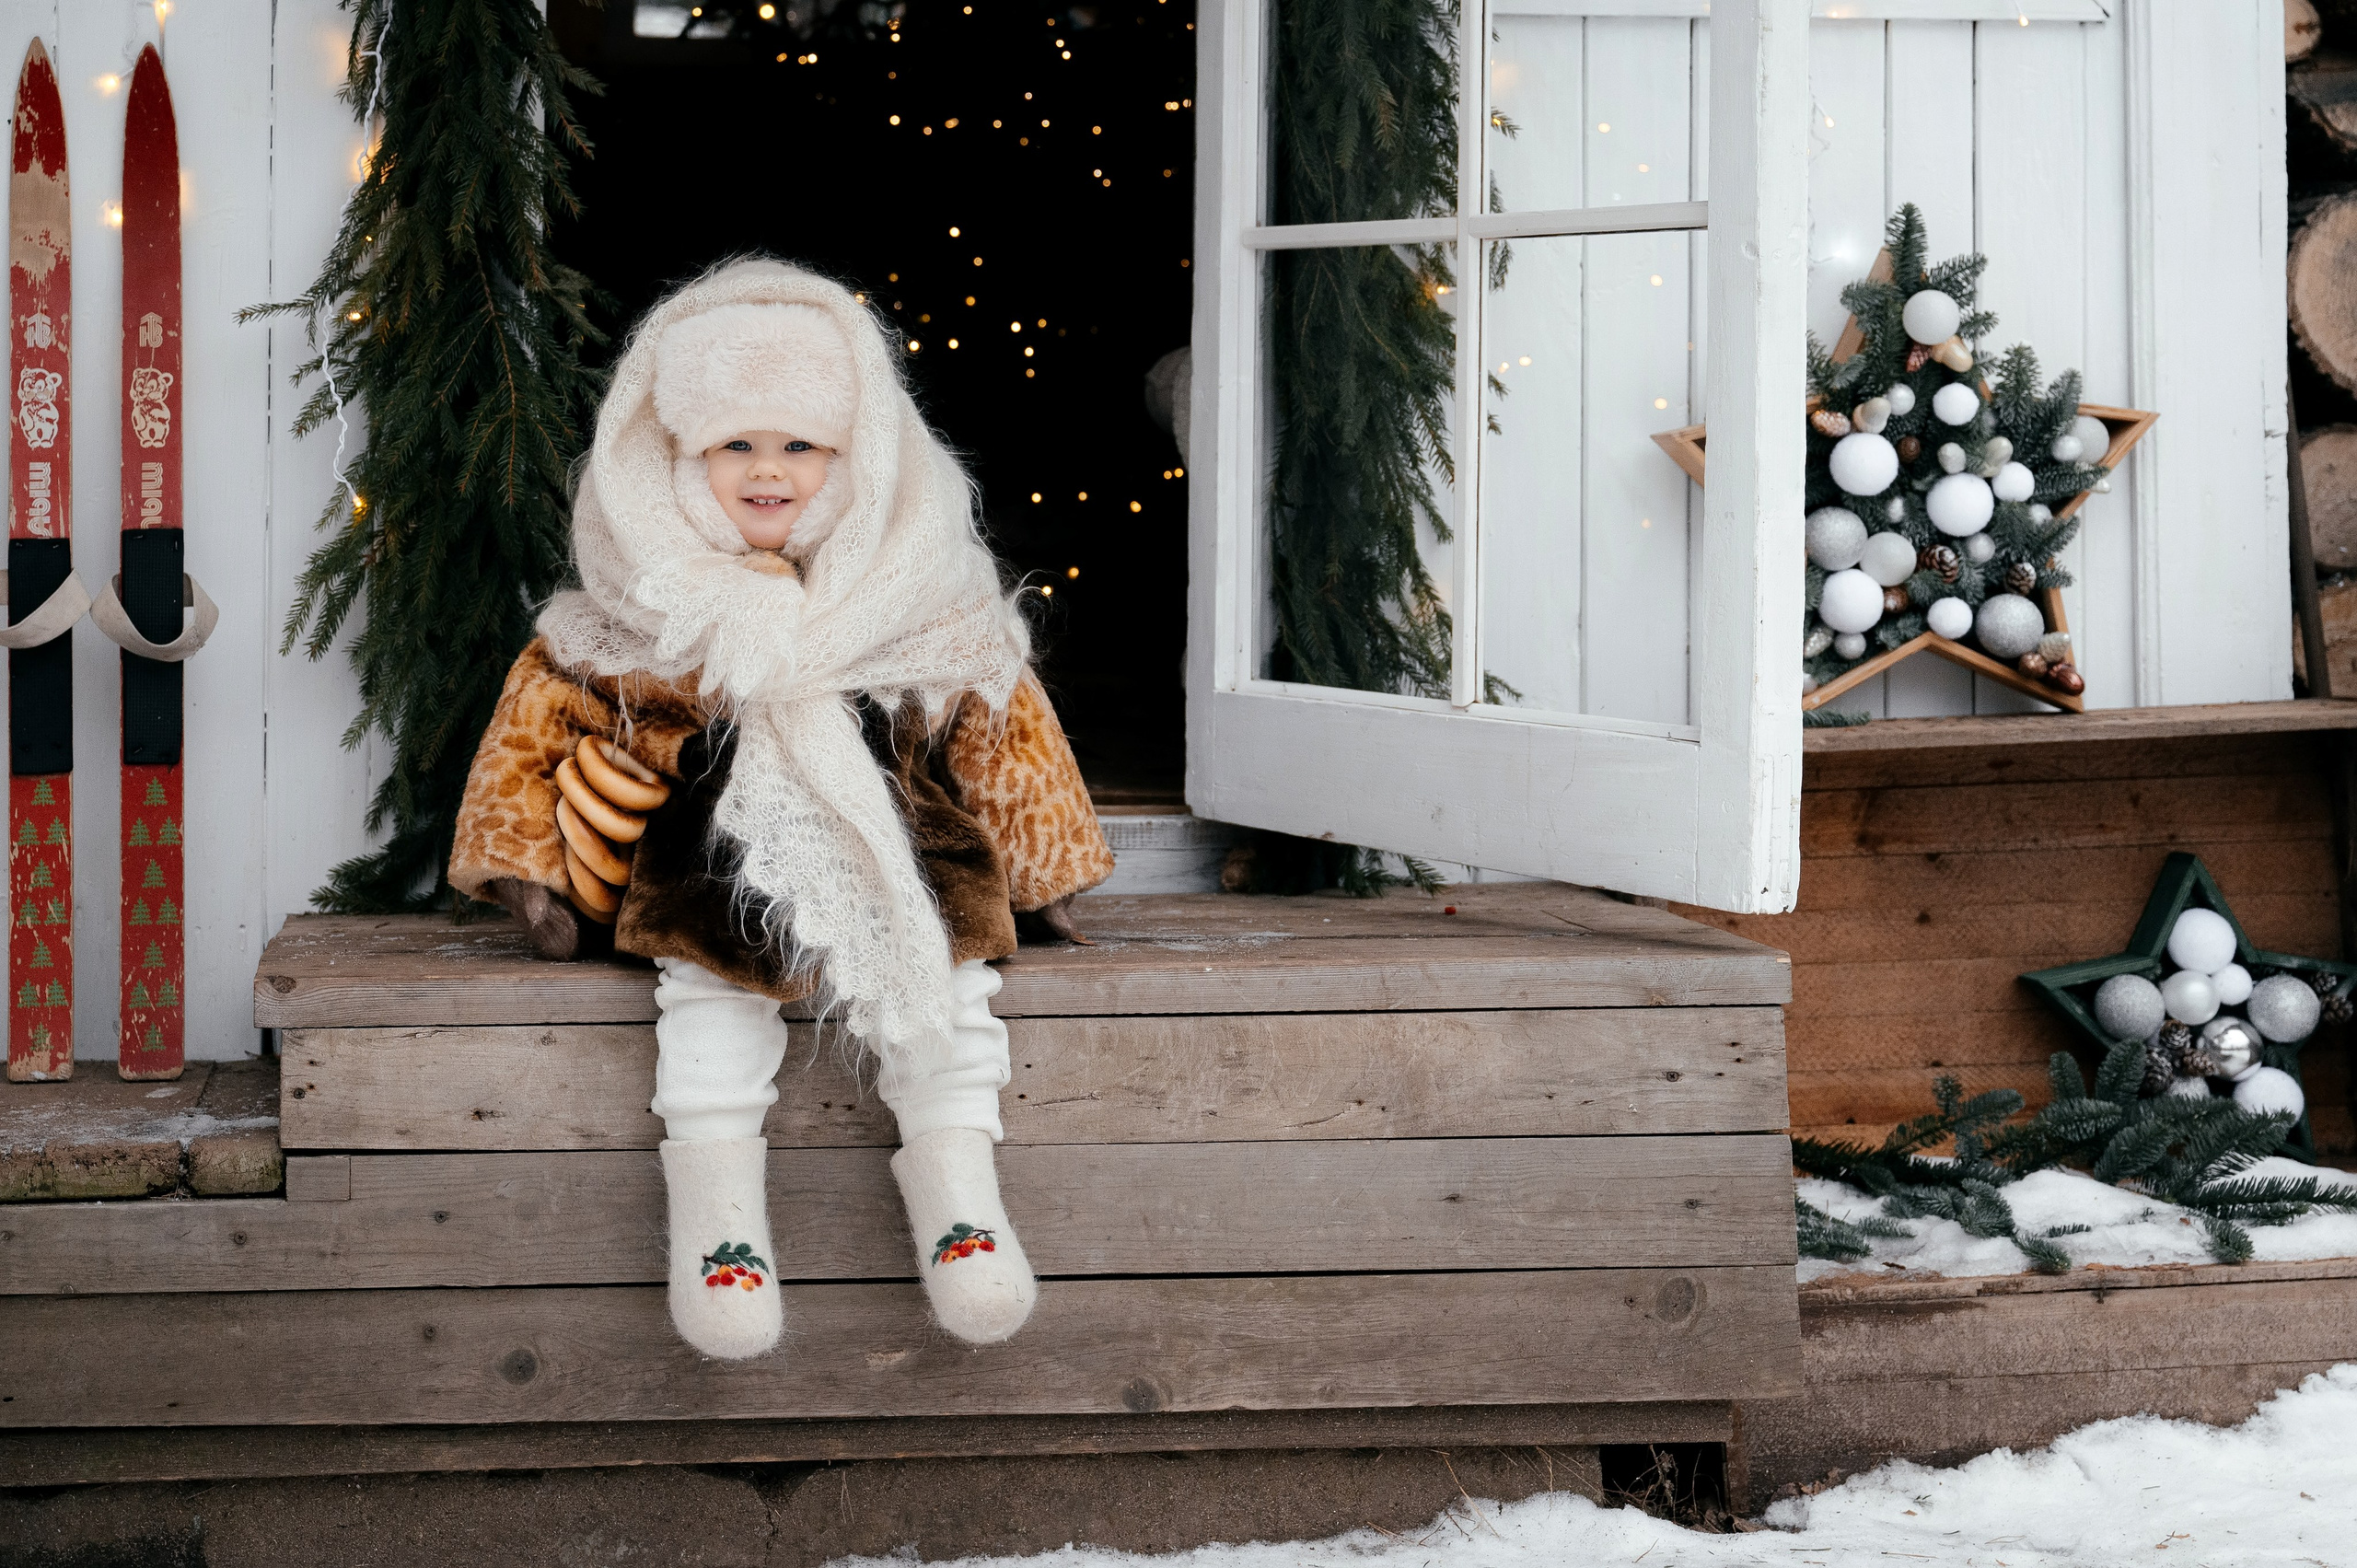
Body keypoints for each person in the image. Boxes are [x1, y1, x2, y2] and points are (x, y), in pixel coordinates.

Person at [447, 257, 1111, 1360]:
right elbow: (537, 725)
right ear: (677, 459)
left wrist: (1048, 873)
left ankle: (960, 1199)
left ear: (858, 457)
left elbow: (1005, 725)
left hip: (911, 860)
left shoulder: (921, 600)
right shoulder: (634, 613)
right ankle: (719, 1225)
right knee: (705, 1013)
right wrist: (525, 866)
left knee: (951, 996)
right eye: (734, 444)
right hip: (709, 873)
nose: (769, 471)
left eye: (801, 443)